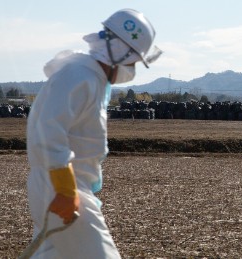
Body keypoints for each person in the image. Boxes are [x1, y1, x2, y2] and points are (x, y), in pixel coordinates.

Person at [26, 9, 162, 258]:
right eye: (132, 61)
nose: (131, 69)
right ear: (122, 52)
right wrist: (66, 188)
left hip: (64, 186)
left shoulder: (91, 78)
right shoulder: (79, 76)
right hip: (62, 187)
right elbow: (46, 131)